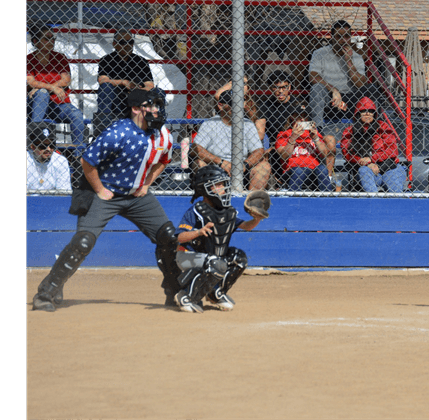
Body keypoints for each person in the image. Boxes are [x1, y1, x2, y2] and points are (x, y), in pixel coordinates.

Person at [31, 89, 181, 312]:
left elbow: (164, 158)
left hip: (136, 195)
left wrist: (147, 183)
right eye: (151, 105)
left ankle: (176, 290)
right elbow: (87, 161)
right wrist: (100, 189)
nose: (156, 110)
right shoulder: (118, 132)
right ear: (136, 109)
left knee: (168, 236)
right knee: (83, 242)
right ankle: (47, 292)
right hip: (103, 191)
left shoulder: (162, 135)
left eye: (158, 105)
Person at [172, 165, 265, 313]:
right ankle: (186, 296)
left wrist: (257, 219)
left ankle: (215, 292)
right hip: (187, 255)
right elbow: (180, 237)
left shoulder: (225, 211)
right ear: (205, 188)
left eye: (223, 184)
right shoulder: (196, 211)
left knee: (238, 258)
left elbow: (246, 226)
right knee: (216, 263)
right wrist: (199, 232)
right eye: (218, 185)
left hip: (209, 256)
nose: (223, 188)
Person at [193, 90, 272, 191]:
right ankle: (214, 197)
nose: (237, 108)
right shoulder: (210, 124)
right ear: (220, 106)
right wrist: (221, 162)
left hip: (243, 169)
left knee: (264, 166)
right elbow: (195, 149)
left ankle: (251, 199)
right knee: (199, 163)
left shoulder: (248, 124)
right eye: (232, 104)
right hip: (216, 167)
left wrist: (245, 164)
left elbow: (258, 151)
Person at [308, 20, 383, 127]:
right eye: (339, 36)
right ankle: (317, 130)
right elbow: (313, 76)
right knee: (317, 88)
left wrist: (349, 61)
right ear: (332, 37)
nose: (343, 40)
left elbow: (361, 84)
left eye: (347, 36)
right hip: (330, 99)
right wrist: (334, 90)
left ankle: (376, 128)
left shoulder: (356, 57)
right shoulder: (320, 53)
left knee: (372, 88)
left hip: (351, 100)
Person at [26, 25, 85, 147]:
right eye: (46, 38)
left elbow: (66, 80)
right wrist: (52, 88)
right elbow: (30, 82)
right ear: (36, 41)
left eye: (52, 38)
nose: (51, 41)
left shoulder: (60, 57)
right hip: (36, 104)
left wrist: (43, 87)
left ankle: (78, 153)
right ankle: (34, 143)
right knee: (42, 94)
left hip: (58, 104)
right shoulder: (29, 59)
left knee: (77, 115)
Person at [95, 30, 156, 134]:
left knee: (158, 92)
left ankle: (156, 131)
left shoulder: (140, 61)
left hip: (136, 98)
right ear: (115, 44)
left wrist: (139, 89)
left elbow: (150, 84)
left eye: (130, 42)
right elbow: (102, 80)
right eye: (123, 42)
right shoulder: (107, 60)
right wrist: (123, 82)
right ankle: (103, 130)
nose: (127, 45)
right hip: (115, 97)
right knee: (106, 87)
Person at [341, 97, 406, 193]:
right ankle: (374, 199)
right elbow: (347, 154)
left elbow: (392, 151)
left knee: (395, 186)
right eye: (363, 111)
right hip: (368, 170)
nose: (367, 113)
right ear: (358, 113)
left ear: (374, 114)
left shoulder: (383, 126)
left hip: (388, 167)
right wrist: (367, 163)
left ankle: (396, 200)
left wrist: (371, 159)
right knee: (363, 170)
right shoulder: (350, 131)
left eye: (370, 111)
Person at [275, 109, 335, 191]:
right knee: (299, 171)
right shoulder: (284, 134)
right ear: (292, 117)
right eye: (299, 116)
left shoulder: (312, 133)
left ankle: (327, 198)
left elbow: (324, 154)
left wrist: (316, 138)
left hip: (313, 170)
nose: (302, 119)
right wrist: (293, 138)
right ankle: (293, 197)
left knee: (322, 168)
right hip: (292, 171)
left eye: (304, 115)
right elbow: (284, 156)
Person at [214, 75, 266, 142]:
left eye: (243, 83)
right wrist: (232, 82)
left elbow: (260, 134)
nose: (240, 86)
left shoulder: (256, 108)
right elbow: (218, 95)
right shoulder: (226, 105)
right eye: (237, 83)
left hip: (248, 142)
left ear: (247, 87)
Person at [26, 121, 71, 193]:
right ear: (33, 147)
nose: (48, 149)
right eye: (43, 146)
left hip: (52, 200)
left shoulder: (61, 161)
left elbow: (64, 193)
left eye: (52, 145)